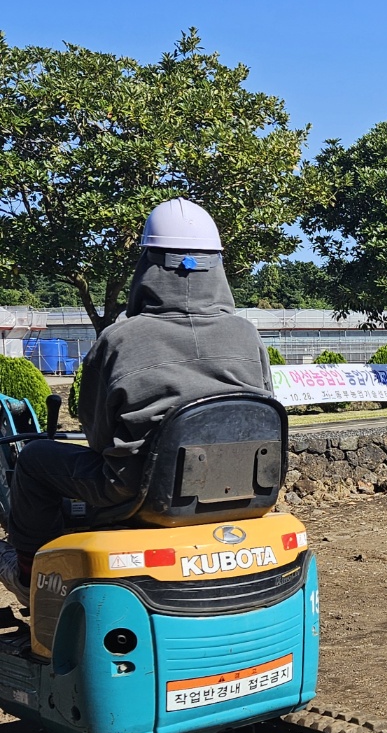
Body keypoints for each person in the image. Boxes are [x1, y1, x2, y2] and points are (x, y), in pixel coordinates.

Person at [0, 198, 274, 601]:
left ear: (148, 266)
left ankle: (28, 575)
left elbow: (98, 434)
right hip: (245, 493)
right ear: (217, 267)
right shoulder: (248, 336)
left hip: (136, 493)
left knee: (35, 459)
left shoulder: (119, 339)